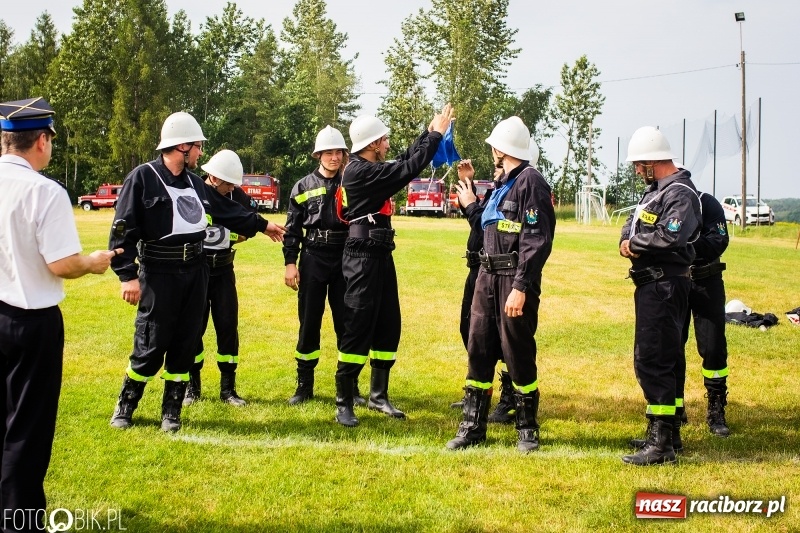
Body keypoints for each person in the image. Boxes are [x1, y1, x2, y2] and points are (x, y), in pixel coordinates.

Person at [108, 111, 285, 433]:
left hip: (196, 271)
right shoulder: (143, 177)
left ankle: (171, 412)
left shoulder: (193, 183)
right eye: (199, 147)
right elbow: (123, 229)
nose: (201, 153)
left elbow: (228, 211)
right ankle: (126, 407)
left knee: (185, 342)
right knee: (151, 342)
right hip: (158, 273)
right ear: (183, 146)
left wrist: (262, 225)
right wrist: (127, 276)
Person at [0, 97, 119, 531]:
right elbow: (61, 264)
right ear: (43, 140)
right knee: (26, 430)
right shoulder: (44, 191)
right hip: (29, 320)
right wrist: (92, 261)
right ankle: (20, 520)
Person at [334, 104, 454, 427]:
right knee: (358, 324)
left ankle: (378, 395)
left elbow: (401, 162)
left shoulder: (370, 168)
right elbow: (406, 170)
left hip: (381, 254)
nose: (387, 143)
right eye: (384, 139)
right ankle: (344, 399)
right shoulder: (358, 171)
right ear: (373, 145)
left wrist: (428, 134)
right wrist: (435, 136)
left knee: (389, 323)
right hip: (361, 256)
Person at [446, 117, 555, 453]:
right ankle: (472, 427)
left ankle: (527, 430)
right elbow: (487, 227)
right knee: (479, 348)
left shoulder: (531, 183)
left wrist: (521, 287)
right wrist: (471, 203)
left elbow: (536, 240)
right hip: (486, 276)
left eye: (493, 146)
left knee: (517, 350)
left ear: (500, 148)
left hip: (511, 278)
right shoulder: (501, 185)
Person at [619, 126, 701, 466]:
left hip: (665, 284)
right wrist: (629, 239)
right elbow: (631, 223)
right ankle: (664, 433)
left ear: (654, 160)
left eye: (640, 164)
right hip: (652, 283)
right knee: (660, 356)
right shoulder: (655, 192)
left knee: (653, 359)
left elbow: (670, 236)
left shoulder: (679, 193)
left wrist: (634, 244)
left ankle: (662, 443)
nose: (638, 170)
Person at [283, 126, 366, 406]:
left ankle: (350, 386)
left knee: (348, 323)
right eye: (328, 152)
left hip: (346, 257)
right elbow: (292, 230)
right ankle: (304, 385)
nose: (333, 157)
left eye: (338, 152)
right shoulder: (302, 186)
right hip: (313, 257)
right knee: (309, 322)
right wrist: (289, 264)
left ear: (344, 154)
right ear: (318, 155)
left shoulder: (351, 182)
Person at [182, 149, 255, 408]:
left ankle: (228, 389)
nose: (230, 188)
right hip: (199, 269)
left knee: (227, 326)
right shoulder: (195, 191)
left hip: (224, 269)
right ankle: (193, 386)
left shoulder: (239, 196)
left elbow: (248, 230)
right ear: (212, 177)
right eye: (226, 183)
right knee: (194, 328)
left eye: (233, 184)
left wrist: (228, 237)